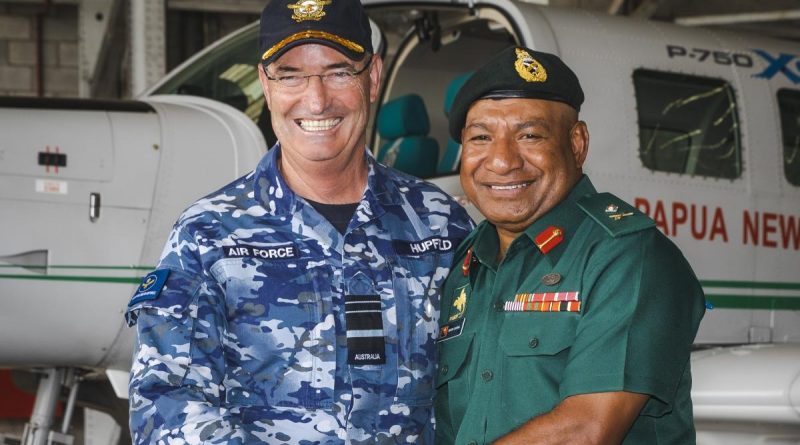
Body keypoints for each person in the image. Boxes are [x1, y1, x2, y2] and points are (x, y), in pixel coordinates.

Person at [124, 1, 473, 443]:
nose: (316, 98)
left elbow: (483, 383)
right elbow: (165, 401)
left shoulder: (439, 226)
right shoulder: (208, 234)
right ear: (265, 86)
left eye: (339, 71)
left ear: (373, 77)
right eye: (290, 75)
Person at [434, 46, 705, 445]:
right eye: (480, 138)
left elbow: (585, 430)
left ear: (577, 144)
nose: (502, 160)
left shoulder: (627, 256)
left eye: (529, 135)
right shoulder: (465, 264)